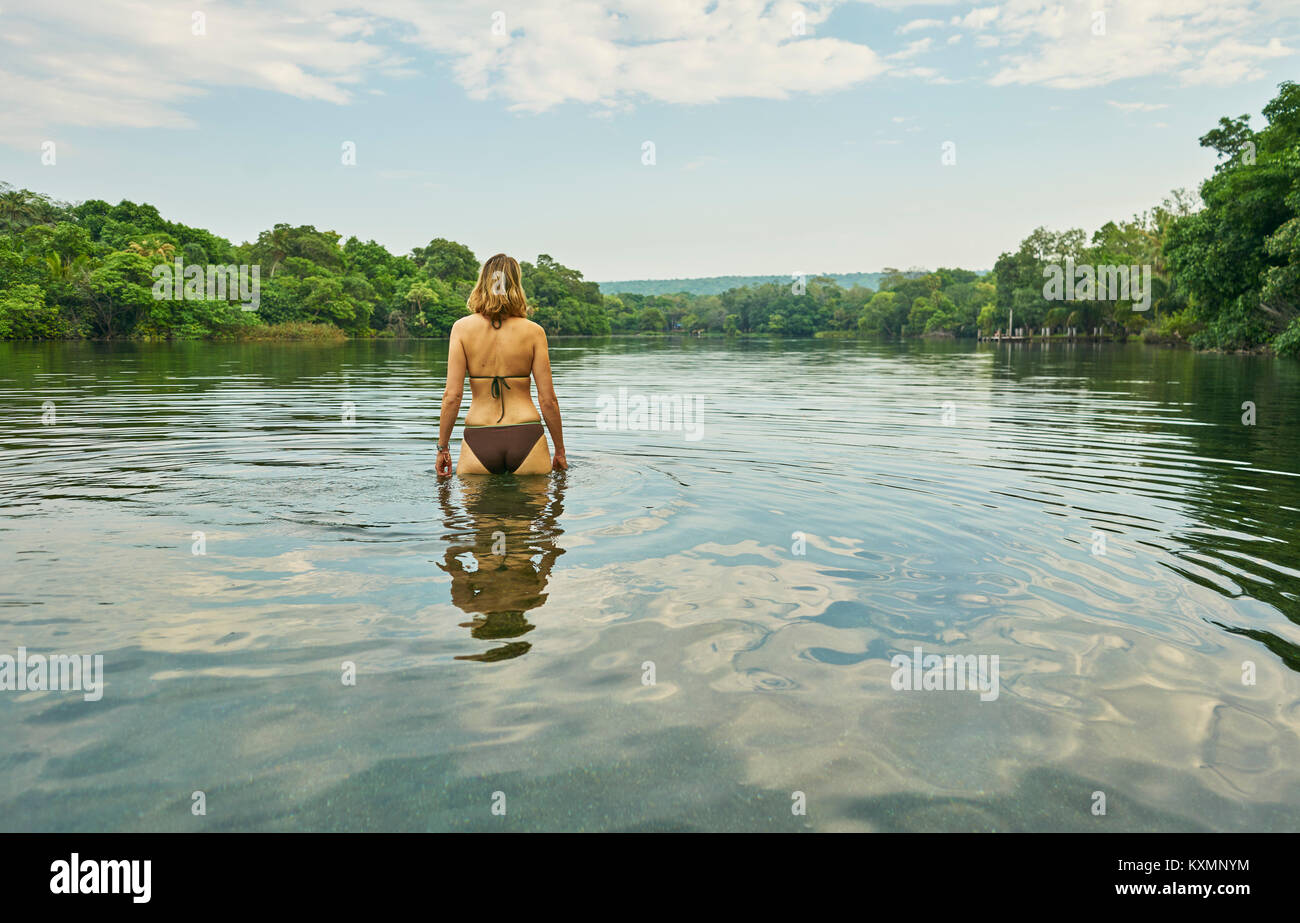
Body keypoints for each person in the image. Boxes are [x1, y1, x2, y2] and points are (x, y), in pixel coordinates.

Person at [436, 254, 567, 476]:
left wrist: (443, 448)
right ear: (516, 284)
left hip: (479, 434)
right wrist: (560, 451)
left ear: (483, 282)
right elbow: (548, 400)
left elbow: (452, 396)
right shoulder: (534, 332)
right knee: (534, 511)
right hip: (526, 435)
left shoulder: (461, 329)